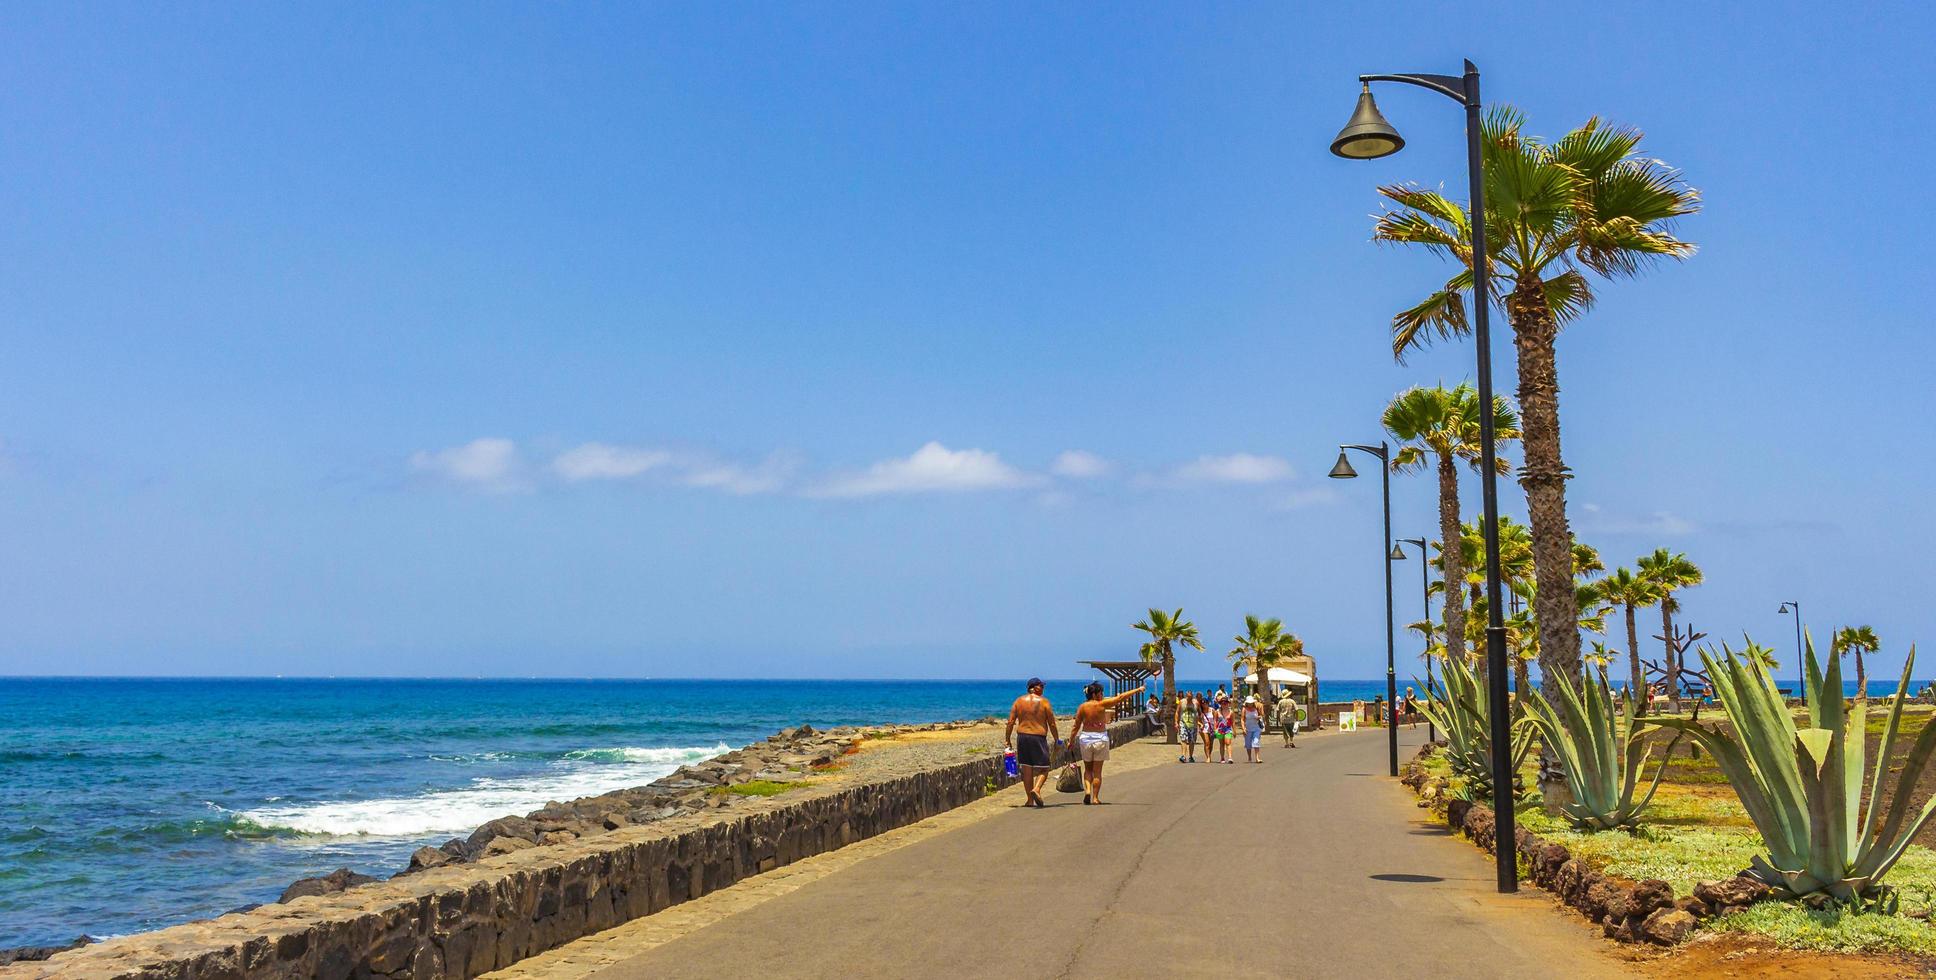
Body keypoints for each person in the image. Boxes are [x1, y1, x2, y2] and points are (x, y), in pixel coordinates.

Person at [1070, 681, 1143, 804]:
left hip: (1086, 739)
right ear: (1094, 695)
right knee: (1097, 771)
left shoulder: (1082, 707)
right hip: (1100, 739)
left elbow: (1076, 726)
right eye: (1100, 693)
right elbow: (1120, 697)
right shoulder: (1102, 704)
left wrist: (1071, 741)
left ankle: (1087, 790)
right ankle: (1095, 798)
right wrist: (1137, 690)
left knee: (1088, 769)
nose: (1102, 695)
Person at [1004, 677, 1061, 808]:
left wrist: (1007, 739)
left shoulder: (1018, 701)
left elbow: (1010, 722)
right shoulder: (1044, 702)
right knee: (1044, 768)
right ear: (1034, 687)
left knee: (1027, 768)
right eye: (1041, 686)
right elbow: (1051, 723)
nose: (1043, 689)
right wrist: (1057, 739)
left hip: (1022, 737)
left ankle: (1030, 800)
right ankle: (1036, 789)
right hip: (1038, 737)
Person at [1175, 693, 1200, 763]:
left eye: (1190, 697)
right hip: (1183, 723)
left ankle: (1191, 756)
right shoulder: (1182, 702)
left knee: (1191, 741)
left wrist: (1200, 723)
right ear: (1186, 697)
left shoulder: (1196, 703)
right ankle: (1183, 756)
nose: (1189, 699)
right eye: (1188, 697)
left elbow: (1199, 713)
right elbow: (1177, 712)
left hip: (1193, 725)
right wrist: (1176, 722)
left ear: (1192, 697)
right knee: (1183, 739)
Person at [1241, 695, 1265, 763]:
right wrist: (1243, 728)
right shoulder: (1244, 709)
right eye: (1249, 703)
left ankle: (1257, 758)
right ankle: (1249, 757)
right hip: (1248, 728)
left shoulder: (1256, 708)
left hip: (1256, 728)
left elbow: (1262, 715)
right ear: (1247, 703)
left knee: (1256, 742)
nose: (1250, 704)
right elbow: (1242, 719)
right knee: (1248, 744)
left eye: (1251, 703)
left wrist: (1259, 717)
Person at [1212, 695, 1235, 763]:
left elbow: (1233, 722)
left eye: (1225, 703)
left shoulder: (1231, 712)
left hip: (1228, 729)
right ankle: (1222, 758)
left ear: (1228, 703)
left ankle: (1230, 757)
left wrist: (1234, 731)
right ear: (1220, 704)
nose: (1224, 704)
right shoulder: (1217, 711)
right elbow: (1215, 720)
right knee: (1222, 744)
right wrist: (1215, 729)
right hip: (1220, 729)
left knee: (1228, 742)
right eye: (1222, 703)